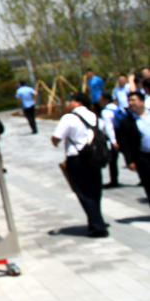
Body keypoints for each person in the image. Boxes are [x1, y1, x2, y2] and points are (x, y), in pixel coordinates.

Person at [51, 92, 108, 237]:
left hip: (77, 159)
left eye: (71, 101)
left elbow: (57, 137)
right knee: (95, 191)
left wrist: (55, 142)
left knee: (83, 192)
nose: (69, 103)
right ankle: (96, 219)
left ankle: (97, 226)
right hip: (94, 157)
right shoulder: (95, 116)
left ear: (78, 102)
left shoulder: (69, 117)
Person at [127, 91, 150, 207]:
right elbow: (126, 143)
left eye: (133, 100)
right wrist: (130, 160)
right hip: (143, 156)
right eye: (129, 100)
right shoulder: (127, 121)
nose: (131, 103)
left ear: (141, 101)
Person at [98, 92, 121, 188]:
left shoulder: (105, 112)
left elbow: (109, 127)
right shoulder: (117, 108)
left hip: (113, 139)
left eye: (101, 100)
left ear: (106, 100)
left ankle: (114, 180)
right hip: (121, 136)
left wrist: (113, 141)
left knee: (112, 161)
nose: (100, 102)